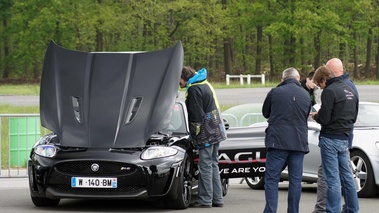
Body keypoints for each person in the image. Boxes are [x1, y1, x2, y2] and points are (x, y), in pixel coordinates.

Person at [312, 58, 359, 213]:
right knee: (348, 178)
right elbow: (354, 116)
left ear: (324, 79)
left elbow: (324, 118)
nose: (320, 87)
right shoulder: (351, 89)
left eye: (320, 84)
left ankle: (333, 210)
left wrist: (316, 116)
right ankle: (352, 209)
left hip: (330, 139)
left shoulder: (330, 91)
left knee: (332, 179)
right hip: (344, 138)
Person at [262, 67, 311, 213]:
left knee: (271, 179)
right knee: (295, 181)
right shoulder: (306, 95)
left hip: (278, 141)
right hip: (298, 143)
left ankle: (270, 210)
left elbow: (265, 112)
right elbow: (306, 115)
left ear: (283, 79)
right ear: (298, 78)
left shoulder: (275, 92)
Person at [179, 66, 227, 208]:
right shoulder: (205, 83)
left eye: (179, 80)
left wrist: (193, 136)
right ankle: (217, 199)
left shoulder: (193, 89)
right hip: (217, 128)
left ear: (184, 77)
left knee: (205, 165)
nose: (179, 84)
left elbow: (196, 117)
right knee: (213, 163)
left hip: (206, 131)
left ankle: (205, 200)